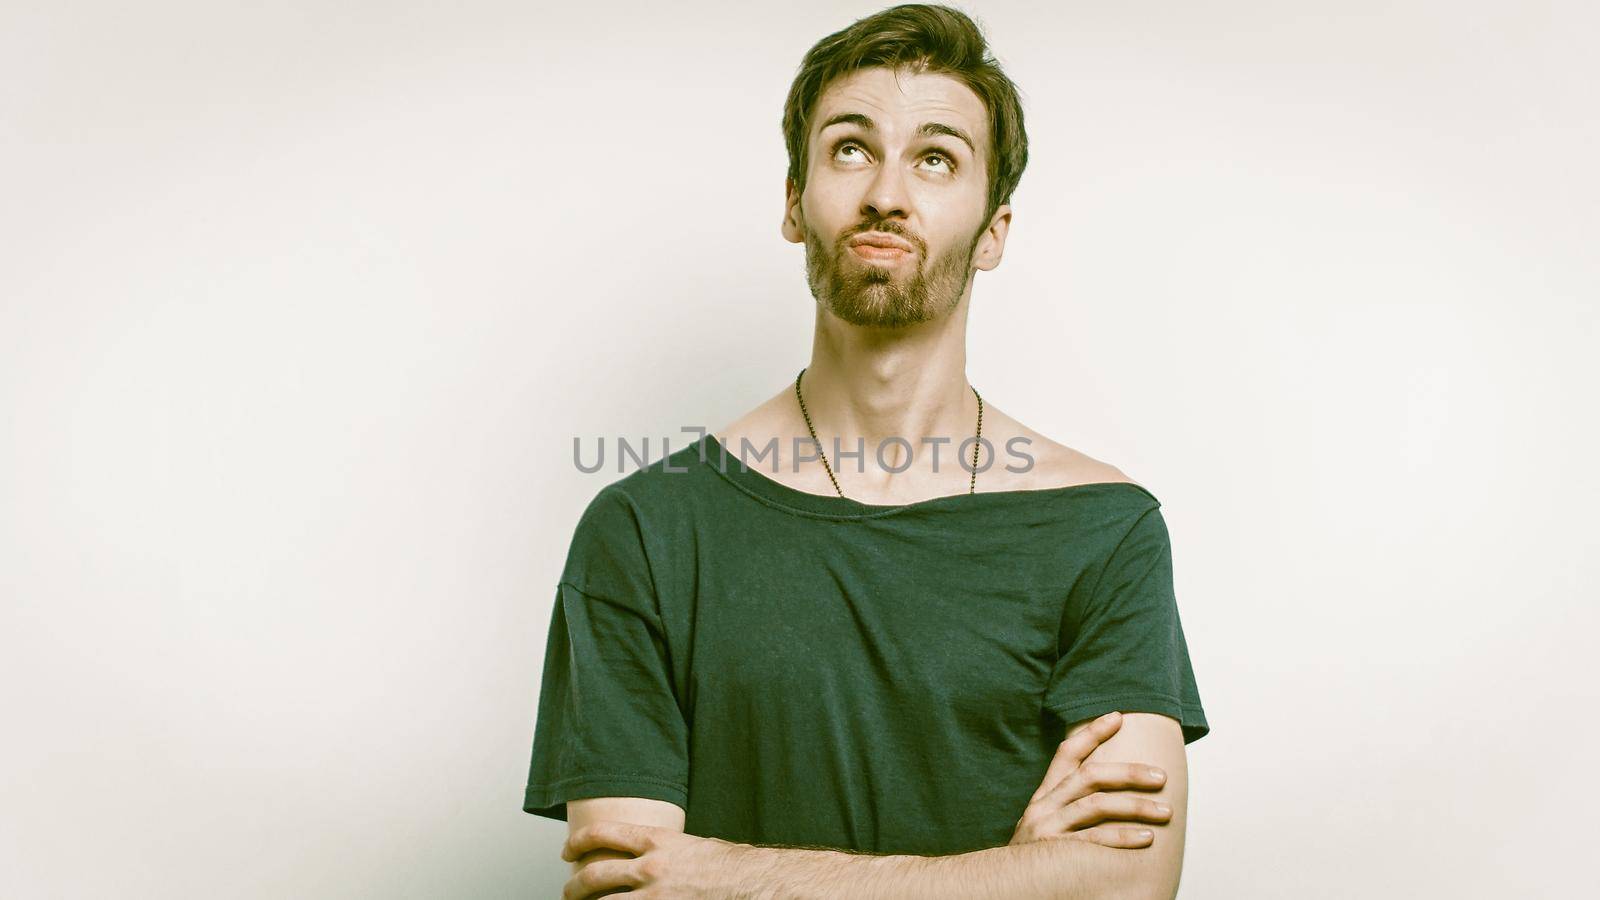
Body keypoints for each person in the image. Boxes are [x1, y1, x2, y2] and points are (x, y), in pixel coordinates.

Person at [523, 4, 1210, 896]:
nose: (887, 191)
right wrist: (1016, 874)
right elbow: (632, 889)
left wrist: (731, 875)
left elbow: (1126, 888)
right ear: (793, 205)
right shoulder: (645, 531)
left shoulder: (1102, 530)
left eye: (936, 157)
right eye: (850, 148)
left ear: (994, 230)